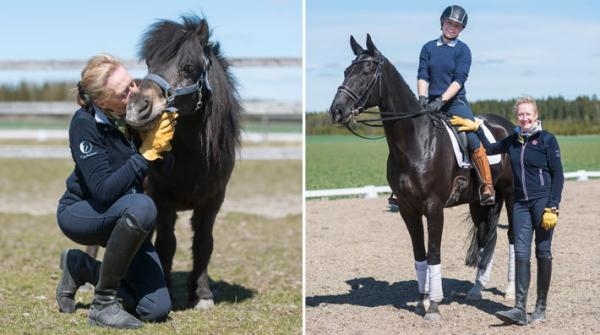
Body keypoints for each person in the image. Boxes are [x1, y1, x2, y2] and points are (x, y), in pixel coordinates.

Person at [55, 54, 178, 329]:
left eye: (132, 83)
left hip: (128, 217)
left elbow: (165, 172)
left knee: (156, 308)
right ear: (101, 102)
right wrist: (145, 155)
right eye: (124, 93)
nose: (134, 93)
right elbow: (103, 191)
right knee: (144, 206)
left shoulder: (134, 115)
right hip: (84, 211)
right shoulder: (84, 124)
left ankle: (82, 267)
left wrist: (164, 147)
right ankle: (103, 304)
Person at [450, 96, 564, 325]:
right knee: (521, 253)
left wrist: (553, 205)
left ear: (536, 116)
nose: (524, 118)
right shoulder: (513, 140)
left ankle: (540, 307)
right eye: (520, 115)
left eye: (528, 114)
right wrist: (478, 128)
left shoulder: (547, 140)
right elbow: (491, 148)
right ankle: (520, 308)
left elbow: (558, 175)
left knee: (542, 252)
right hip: (521, 204)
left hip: (542, 204)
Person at [417, 5, 495, 205]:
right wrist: (423, 98)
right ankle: (402, 188)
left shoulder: (463, 50)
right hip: (429, 101)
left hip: (454, 102)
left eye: (457, 26)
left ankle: (487, 185)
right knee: (408, 131)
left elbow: (458, 80)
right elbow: (423, 75)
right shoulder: (428, 47)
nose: (452, 27)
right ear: (442, 22)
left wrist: (441, 100)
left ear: (461, 30)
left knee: (470, 136)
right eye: (450, 23)